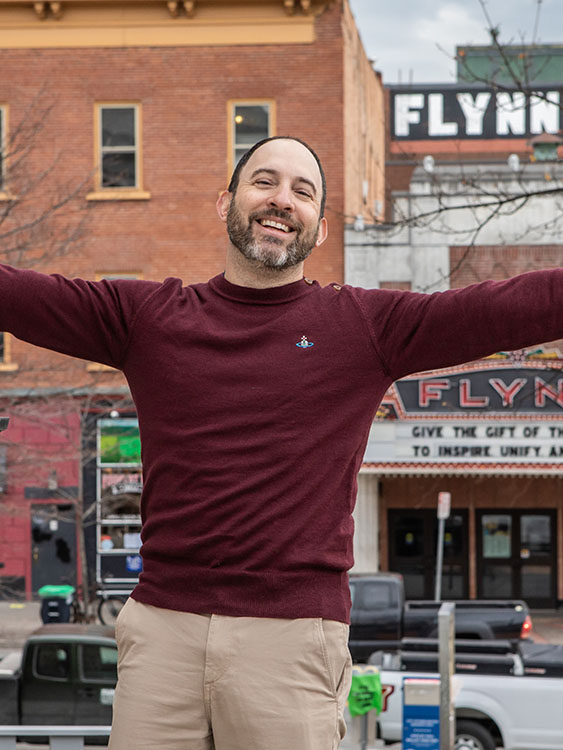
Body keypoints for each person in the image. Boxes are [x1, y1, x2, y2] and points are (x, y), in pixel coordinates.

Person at [1, 136, 562, 749]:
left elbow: (502, 309)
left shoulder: (364, 327)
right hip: (162, 634)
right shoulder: (150, 318)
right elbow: (21, 296)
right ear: (226, 203)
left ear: (320, 230)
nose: (282, 200)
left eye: (303, 191)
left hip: (291, 640)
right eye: (264, 181)